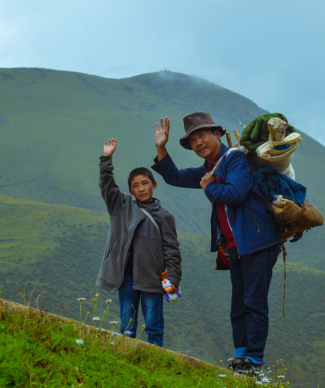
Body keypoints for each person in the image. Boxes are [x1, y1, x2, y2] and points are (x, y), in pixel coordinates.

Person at [151, 113, 282, 375]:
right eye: (193, 139)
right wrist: (161, 147)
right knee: (238, 306)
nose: (198, 142)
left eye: (202, 135)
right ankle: (240, 358)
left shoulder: (236, 159)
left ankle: (253, 361)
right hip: (236, 247)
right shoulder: (209, 169)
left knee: (254, 303)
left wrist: (209, 188)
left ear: (217, 134)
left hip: (258, 242)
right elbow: (175, 176)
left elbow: (236, 193)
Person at [95, 138, 182, 348]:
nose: (141, 188)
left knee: (153, 326)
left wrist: (174, 279)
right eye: (135, 186)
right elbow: (106, 186)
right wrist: (107, 158)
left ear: (154, 185)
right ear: (130, 191)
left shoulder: (164, 216)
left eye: (145, 183)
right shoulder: (120, 206)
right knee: (127, 326)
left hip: (153, 278)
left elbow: (172, 250)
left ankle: (156, 363)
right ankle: (126, 359)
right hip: (125, 278)